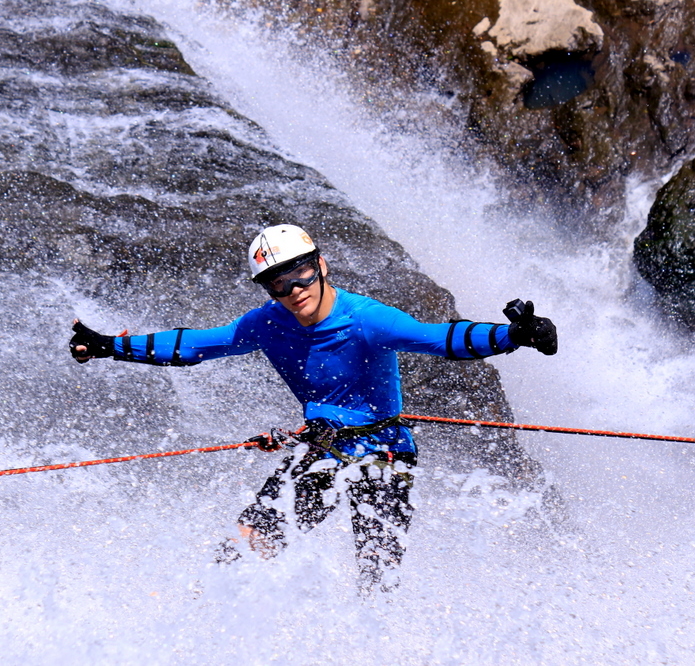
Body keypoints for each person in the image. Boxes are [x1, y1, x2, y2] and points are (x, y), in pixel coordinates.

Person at [69, 224, 557, 595]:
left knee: (376, 573)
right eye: (277, 284)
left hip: (384, 450)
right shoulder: (266, 323)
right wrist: (111, 346)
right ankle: (209, 620)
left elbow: (440, 338)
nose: (294, 289)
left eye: (301, 273)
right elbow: (197, 345)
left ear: (321, 265)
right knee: (245, 547)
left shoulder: (367, 319)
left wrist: (512, 335)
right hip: (322, 447)